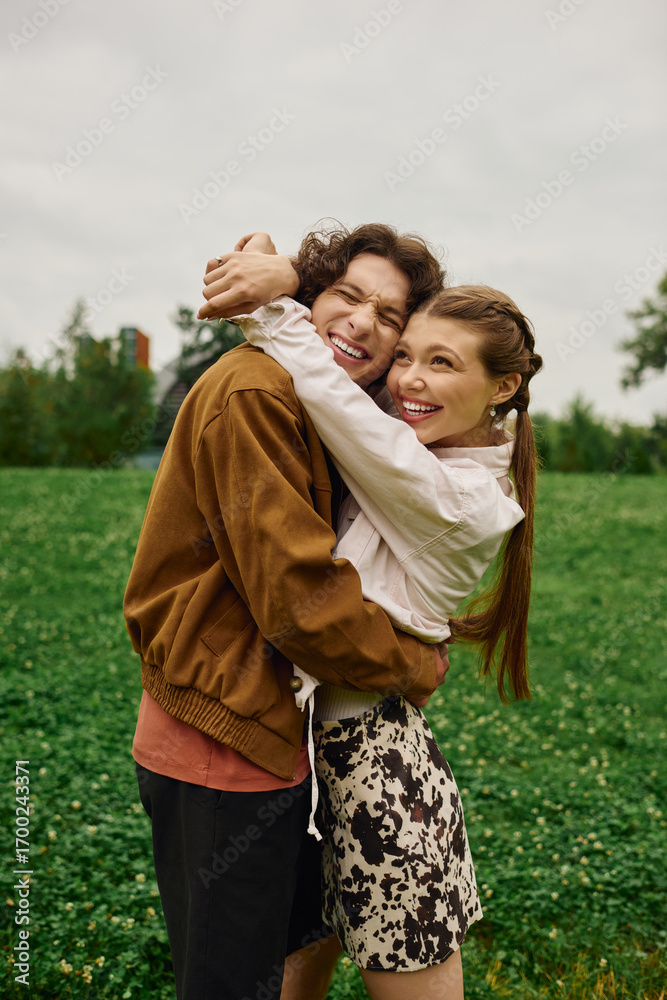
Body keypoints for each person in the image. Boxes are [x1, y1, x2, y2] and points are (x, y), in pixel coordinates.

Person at [124, 222, 448, 1000]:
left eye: (391, 315)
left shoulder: (318, 403)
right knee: (230, 981)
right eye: (346, 296)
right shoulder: (254, 393)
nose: (363, 322)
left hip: (275, 724)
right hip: (222, 734)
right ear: (305, 299)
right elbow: (300, 603)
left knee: (293, 941)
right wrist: (413, 663)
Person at [226, 271, 542, 999]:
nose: (408, 379)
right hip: (311, 759)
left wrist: (276, 304)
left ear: (502, 388)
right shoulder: (424, 454)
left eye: (443, 363)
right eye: (408, 355)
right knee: (291, 977)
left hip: (378, 778)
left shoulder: (459, 500)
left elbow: (336, 400)